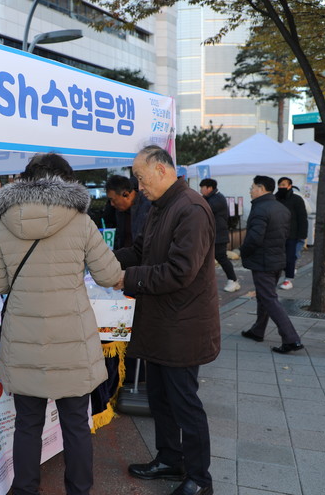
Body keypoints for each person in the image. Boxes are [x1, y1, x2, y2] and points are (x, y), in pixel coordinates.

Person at [0, 153, 123, 495]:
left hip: (23, 339)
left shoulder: (3, 223)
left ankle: (25, 489)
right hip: (71, 341)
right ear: (66, 181)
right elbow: (109, 275)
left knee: (27, 425)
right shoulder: (81, 221)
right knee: (76, 425)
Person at [115, 146, 219, 495]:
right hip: (160, 322)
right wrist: (103, 260)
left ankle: (200, 479)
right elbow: (140, 251)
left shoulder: (191, 208)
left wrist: (127, 278)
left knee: (184, 403)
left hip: (183, 326)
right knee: (159, 397)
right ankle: (169, 458)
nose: (139, 186)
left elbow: (180, 271)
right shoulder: (160, 207)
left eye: (141, 178)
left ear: (161, 170)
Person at [240, 176, 304, 354]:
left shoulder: (260, 209)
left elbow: (255, 238)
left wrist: (242, 251)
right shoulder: (281, 208)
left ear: (261, 188)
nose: (250, 191)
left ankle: (291, 338)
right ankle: (258, 330)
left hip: (263, 261)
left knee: (268, 299)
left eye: (252, 187)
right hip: (277, 259)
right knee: (265, 297)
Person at [199, 178, 240, 292]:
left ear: (209, 188)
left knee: (221, 257)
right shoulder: (209, 198)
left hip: (219, 235)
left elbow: (204, 210)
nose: (200, 190)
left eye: (202, 188)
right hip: (211, 234)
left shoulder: (217, 199)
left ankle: (233, 281)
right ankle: (204, 282)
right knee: (205, 259)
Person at [275, 177, 308, 290]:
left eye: (284, 185)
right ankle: (283, 274)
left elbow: (302, 218)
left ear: (290, 186)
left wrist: (302, 235)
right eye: (280, 184)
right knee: (278, 257)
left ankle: (288, 280)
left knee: (290, 257)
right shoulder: (275, 198)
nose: (281, 187)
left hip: (292, 234)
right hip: (277, 233)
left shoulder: (297, 199)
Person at [105, 174, 150, 249]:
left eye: (113, 200)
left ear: (126, 194)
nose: (112, 204)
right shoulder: (120, 211)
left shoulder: (148, 207)